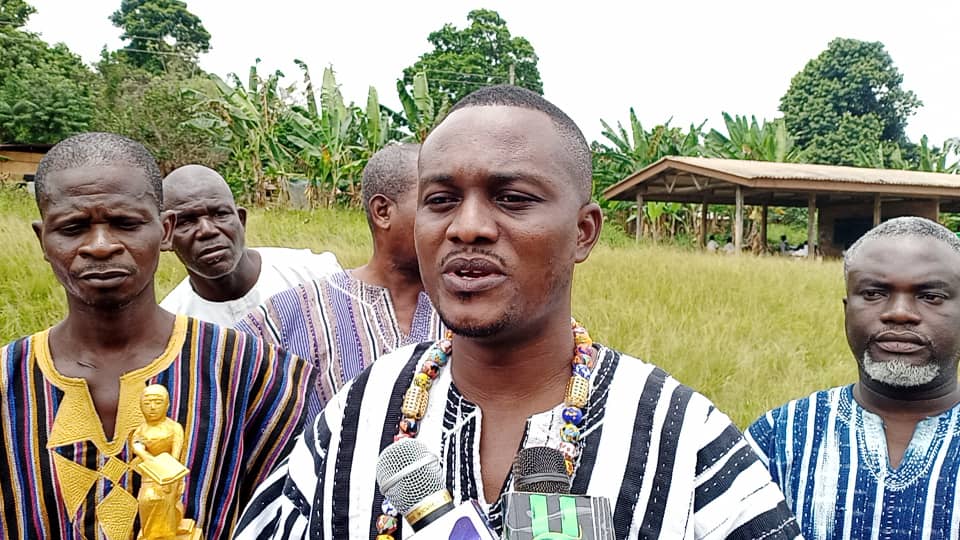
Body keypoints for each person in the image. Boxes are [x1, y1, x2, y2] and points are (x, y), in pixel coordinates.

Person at [234, 86, 800, 539]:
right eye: (440, 200)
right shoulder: (360, 410)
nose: (467, 227)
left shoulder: (678, 435)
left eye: (512, 199)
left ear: (583, 232)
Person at [0, 132, 315, 539]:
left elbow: (291, 519)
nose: (100, 246)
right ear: (42, 239)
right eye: (73, 228)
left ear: (165, 230)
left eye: (126, 224)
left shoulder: (251, 372)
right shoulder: (7, 380)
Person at [747, 216, 960, 539]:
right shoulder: (777, 438)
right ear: (847, 310)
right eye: (874, 293)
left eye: (930, 296)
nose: (899, 313)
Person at [237, 143, 444, 417]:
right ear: (382, 211)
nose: (457, 221)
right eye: (438, 203)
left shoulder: (473, 309)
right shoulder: (292, 313)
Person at [160, 164, 341, 326]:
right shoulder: (171, 326)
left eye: (220, 214)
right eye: (186, 222)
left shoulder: (316, 276)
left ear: (241, 220)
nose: (207, 231)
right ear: (165, 236)